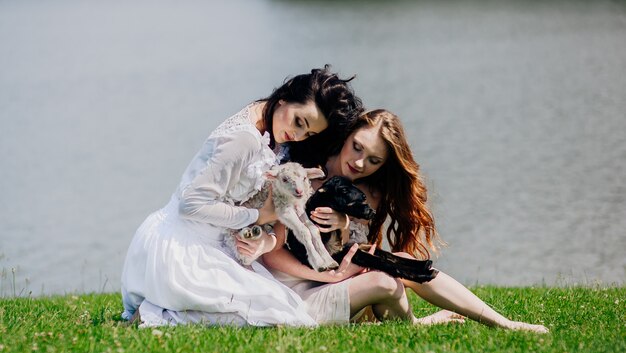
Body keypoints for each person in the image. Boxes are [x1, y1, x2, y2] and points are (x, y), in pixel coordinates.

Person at [262, 109, 549, 333]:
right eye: (357, 147)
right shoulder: (301, 175)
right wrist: (328, 276)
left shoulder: (368, 193)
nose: (360, 163)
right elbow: (273, 255)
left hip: (336, 282)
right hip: (294, 294)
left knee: (401, 261)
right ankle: (415, 323)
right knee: (386, 283)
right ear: (347, 136)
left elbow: (352, 255)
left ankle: (504, 323)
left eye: (374, 160)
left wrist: (345, 225)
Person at [120, 66, 363, 327]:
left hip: (216, 243)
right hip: (183, 247)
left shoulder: (269, 122)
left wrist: (267, 236)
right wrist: (257, 216)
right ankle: (155, 313)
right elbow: (190, 204)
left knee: (286, 310)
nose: (299, 135)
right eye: (299, 122)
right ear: (283, 99)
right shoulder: (244, 140)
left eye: (309, 133)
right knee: (278, 317)